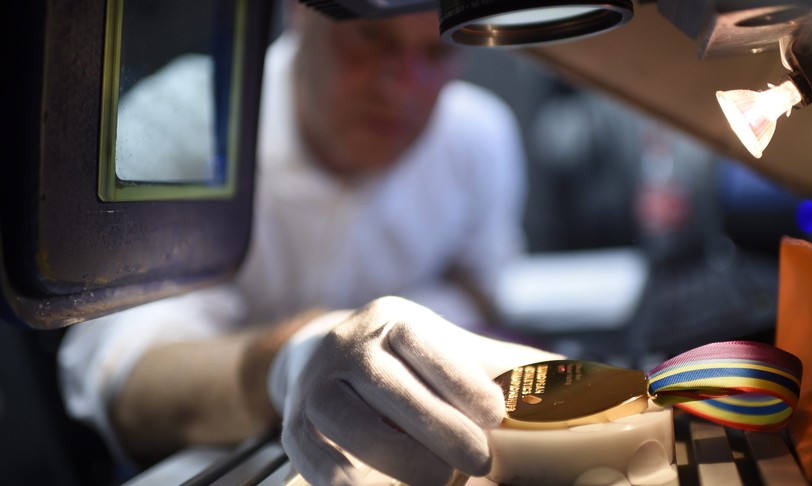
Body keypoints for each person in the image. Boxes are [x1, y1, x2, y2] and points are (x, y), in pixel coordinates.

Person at [58, 6, 561, 485]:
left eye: (435, 54)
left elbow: (484, 286)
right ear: (301, 10)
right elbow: (128, 383)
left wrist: (409, 330)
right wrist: (290, 360)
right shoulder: (186, 124)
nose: (402, 87)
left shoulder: (478, 137)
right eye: (370, 36)